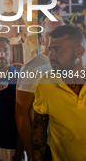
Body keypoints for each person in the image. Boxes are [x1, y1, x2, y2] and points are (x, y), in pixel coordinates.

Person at [32, 25, 86, 161]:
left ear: (79, 51)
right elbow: (39, 135)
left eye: (57, 50)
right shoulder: (45, 83)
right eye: (50, 50)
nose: (51, 56)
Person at [15, 17, 64, 161]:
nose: (58, 38)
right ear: (42, 40)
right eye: (52, 34)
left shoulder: (72, 63)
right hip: (45, 147)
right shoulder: (32, 67)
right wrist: (31, 154)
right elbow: (21, 112)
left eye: (62, 33)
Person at [0, 0, 27, 69]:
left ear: (12, 4)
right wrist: (6, 40)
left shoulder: (18, 16)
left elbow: (24, 29)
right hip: (5, 47)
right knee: (5, 68)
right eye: (6, 3)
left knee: (17, 68)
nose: (8, 4)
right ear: (4, 5)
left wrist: (18, 38)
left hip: (16, 46)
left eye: (9, 2)